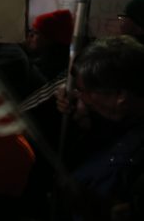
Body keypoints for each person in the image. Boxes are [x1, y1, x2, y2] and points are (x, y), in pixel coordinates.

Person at [55, 35, 144, 220]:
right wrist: (82, 116)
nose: (80, 97)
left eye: (84, 91)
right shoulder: (120, 116)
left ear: (120, 95)